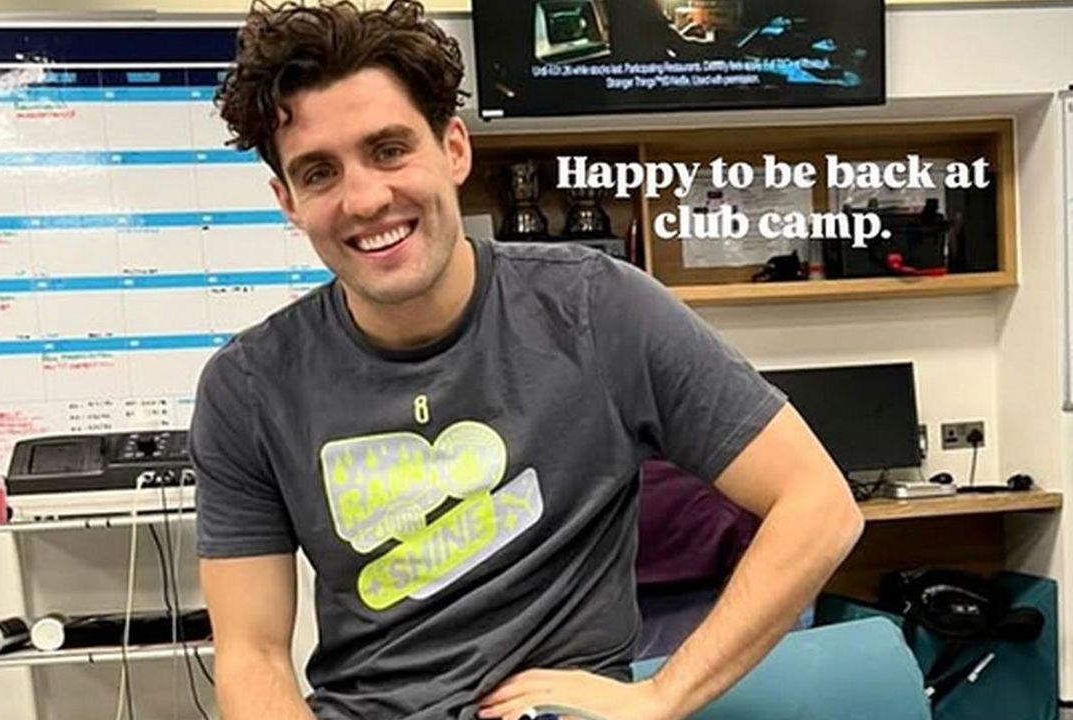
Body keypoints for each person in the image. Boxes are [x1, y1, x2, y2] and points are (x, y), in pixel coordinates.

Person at [188, 2, 864, 719]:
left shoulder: (596, 309)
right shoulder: (248, 388)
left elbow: (818, 506)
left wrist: (662, 697)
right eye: (320, 172)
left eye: (388, 150)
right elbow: (252, 655)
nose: (364, 198)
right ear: (288, 201)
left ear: (453, 149)